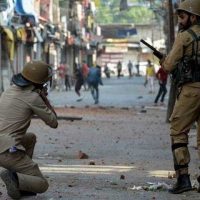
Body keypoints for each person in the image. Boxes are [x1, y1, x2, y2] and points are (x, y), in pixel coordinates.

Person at [0, 61, 58, 199]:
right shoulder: (33, 97)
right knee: (42, 184)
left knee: (30, 138)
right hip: (7, 151)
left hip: (3, 143)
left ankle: (23, 182)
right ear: (41, 82)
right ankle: (16, 178)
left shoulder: (8, 90)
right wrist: (44, 98)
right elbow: (53, 122)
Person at [160, 0, 200, 194]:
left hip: (191, 90)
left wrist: (163, 59)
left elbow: (168, 66)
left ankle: (183, 179)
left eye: (183, 17)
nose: (180, 21)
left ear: (194, 17)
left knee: (178, 130)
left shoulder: (184, 37)